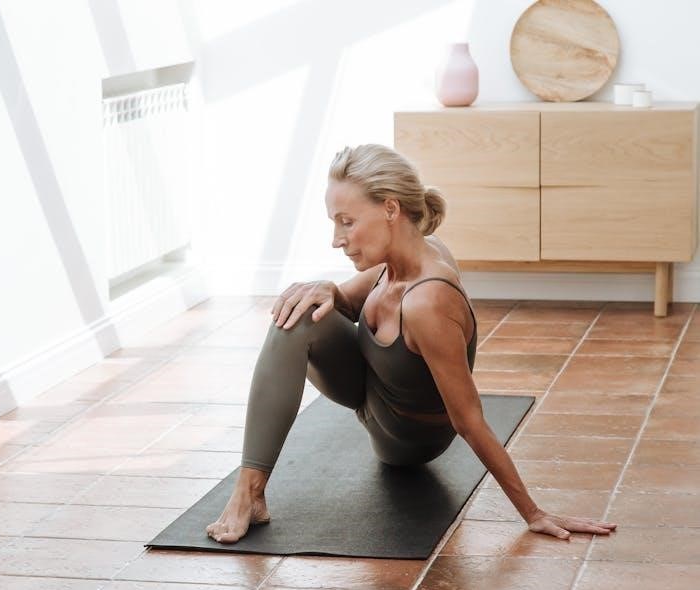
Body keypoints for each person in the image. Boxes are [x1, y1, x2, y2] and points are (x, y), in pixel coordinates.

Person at [206, 144, 617, 544]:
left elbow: (469, 420)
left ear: (390, 209)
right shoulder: (393, 263)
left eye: (347, 222)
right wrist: (326, 288)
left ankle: (247, 493)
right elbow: (344, 301)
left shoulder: (428, 301)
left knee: (301, 314)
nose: (336, 239)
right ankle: (250, 492)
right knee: (297, 313)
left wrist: (533, 512)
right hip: (372, 397)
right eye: (335, 223)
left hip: (406, 441)